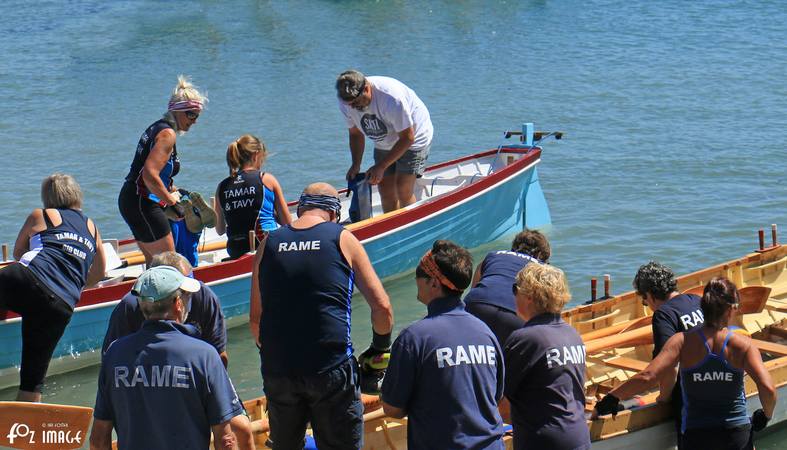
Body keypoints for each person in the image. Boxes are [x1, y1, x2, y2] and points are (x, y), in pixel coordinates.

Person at [250, 182, 393, 449]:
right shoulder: (341, 237)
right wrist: (379, 348)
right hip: (331, 368)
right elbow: (382, 307)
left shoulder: (268, 243)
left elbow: (256, 321)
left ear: (300, 208)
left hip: (279, 370)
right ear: (334, 214)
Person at [594, 277, 777, 450]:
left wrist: (610, 399)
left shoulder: (681, 341)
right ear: (730, 310)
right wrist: (765, 416)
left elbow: (648, 376)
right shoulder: (743, 346)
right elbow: (768, 388)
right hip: (735, 434)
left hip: (697, 435)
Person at [90, 266, 252, 450]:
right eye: (186, 297)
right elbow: (225, 439)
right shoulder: (204, 356)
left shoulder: (114, 354)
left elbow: (98, 439)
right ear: (178, 304)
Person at [381, 240, 505, 450]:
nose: (416, 281)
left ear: (434, 283)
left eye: (419, 276)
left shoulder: (413, 338)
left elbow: (393, 409)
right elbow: (496, 395)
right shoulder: (486, 333)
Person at [0, 173, 105, 402]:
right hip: (62, 303)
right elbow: (97, 274)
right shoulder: (93, 228)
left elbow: (19, 253)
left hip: (28, 278)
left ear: (48, 197)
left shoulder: (42, 215)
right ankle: (23, 430)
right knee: (32, 381)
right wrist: (71, 280)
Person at [118, 75, 207, 266]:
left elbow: (151, 172)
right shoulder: (167, 134)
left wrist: (171, 189)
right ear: (178, 111)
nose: (194, 120)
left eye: (197, 115)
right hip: (142, 203)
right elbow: (150, 175)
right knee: (171, 267)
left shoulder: (158, 128)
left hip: (132, 200)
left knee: (154, 265)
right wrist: (170, 203)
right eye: (191, 114)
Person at [503, 263, 591, 450]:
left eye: (515, 289)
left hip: (544, 441)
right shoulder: (572, 335)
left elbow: (498, 395)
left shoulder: (525, 338)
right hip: (578, 436)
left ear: (528, 296)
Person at [102, 251, 227, 365]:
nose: (189, 295)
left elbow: (219, 354)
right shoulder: (129, 307)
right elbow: (111, 360)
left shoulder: (204, 295)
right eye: (183, 291)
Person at [336, 70, 433, 213]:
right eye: (349, 104)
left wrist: (381, 166)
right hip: (384, 140)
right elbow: (355, 134)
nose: (353, 107)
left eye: (356, 102)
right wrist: (356, 164)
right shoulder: (346, 101)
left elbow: (407, 138)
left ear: (367, 89)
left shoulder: (391, 98)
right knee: (385, 190)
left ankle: (410, 225)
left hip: (414, 137)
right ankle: (392, 226)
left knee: (403, 189)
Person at [634, 261, 704, 447]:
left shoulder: (664, 315)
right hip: (719, 389)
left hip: (691, 404)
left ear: (649, 294)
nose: (646, 304)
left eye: (644, 300)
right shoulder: (696, 301)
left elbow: (669, 366)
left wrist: (663, 398)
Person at [465, 229, 551, 346]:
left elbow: (474, 287)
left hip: (475, 303)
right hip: (513, 314)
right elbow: (544, 312)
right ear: (540, 255)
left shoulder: (492, 256)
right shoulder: (540, 268)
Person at [215, 134, 292, 259]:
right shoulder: (266, 179)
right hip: (266, 245)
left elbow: (219, 230)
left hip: (235, 249)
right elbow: (287, 223)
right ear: (256, 155)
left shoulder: (221, 186)